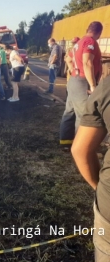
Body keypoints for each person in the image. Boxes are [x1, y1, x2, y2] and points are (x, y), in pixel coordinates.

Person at [71, 74, 110, 261]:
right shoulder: (88, 43)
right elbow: (85, 62)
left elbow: (80, 149)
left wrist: (99, 187)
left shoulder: (108, 87)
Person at [59, 21, 103, 150]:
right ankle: (81, 148)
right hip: (83, 82)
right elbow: (88, 62)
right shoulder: (90, 42)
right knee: (83, 115)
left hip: (74, 80)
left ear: (87, 29)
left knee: (69, 111)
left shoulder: (79, 43)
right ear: (99, 33)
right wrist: (93, 85)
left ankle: (66, 142)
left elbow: (68, 59)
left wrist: (74, 70)